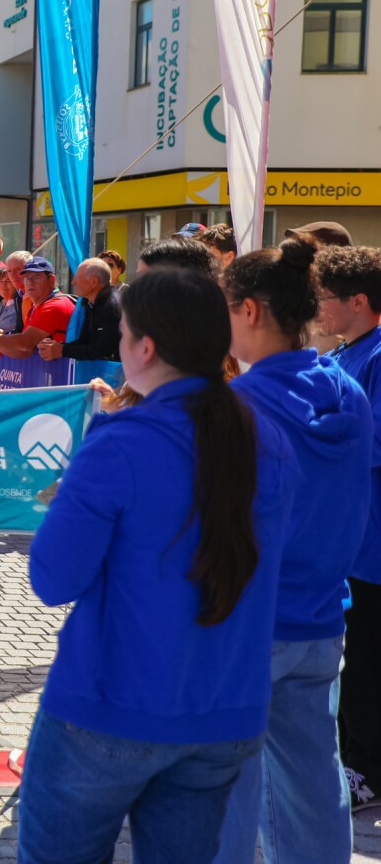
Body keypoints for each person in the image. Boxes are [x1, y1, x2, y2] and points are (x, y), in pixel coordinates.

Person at [17, 267, 296, 864]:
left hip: (112, 705)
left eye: (122, 336)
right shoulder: (267, 437)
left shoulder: (121, 440)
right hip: (225, 708)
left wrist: (69, 498)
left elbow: (53, 579)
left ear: (144, 348)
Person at [212, 237, 371, 862]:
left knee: (219, 790)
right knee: (311, 783)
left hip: (248, 623)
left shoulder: (242, 404)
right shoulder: (346, 390)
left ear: (250, 310)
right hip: (321, 617)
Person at [314, 245, 381, 812]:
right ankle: (351, 759)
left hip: (372, 543)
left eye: (326, 297)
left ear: (359, 301)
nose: (318, 307)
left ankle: (366, 771)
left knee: (365, 663)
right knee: (350, 660)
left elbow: (370, 442)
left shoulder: (378, 356)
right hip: (346, 539)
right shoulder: (341, 352)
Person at [0, 257, 74, 359]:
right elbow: (24, 352)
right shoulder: (34, 306)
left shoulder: (54, 306)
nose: (30, 282)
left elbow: (26, 343)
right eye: (27, 278)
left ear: (51, 280)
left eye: (36, 277)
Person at [38, 258, 120, 363]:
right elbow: (85, 342)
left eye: (77, 278)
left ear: (94, 282)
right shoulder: (89, 303)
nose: (73, 282)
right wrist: (56, 346)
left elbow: (104, 350)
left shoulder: (112, 306)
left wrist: (62, 350)